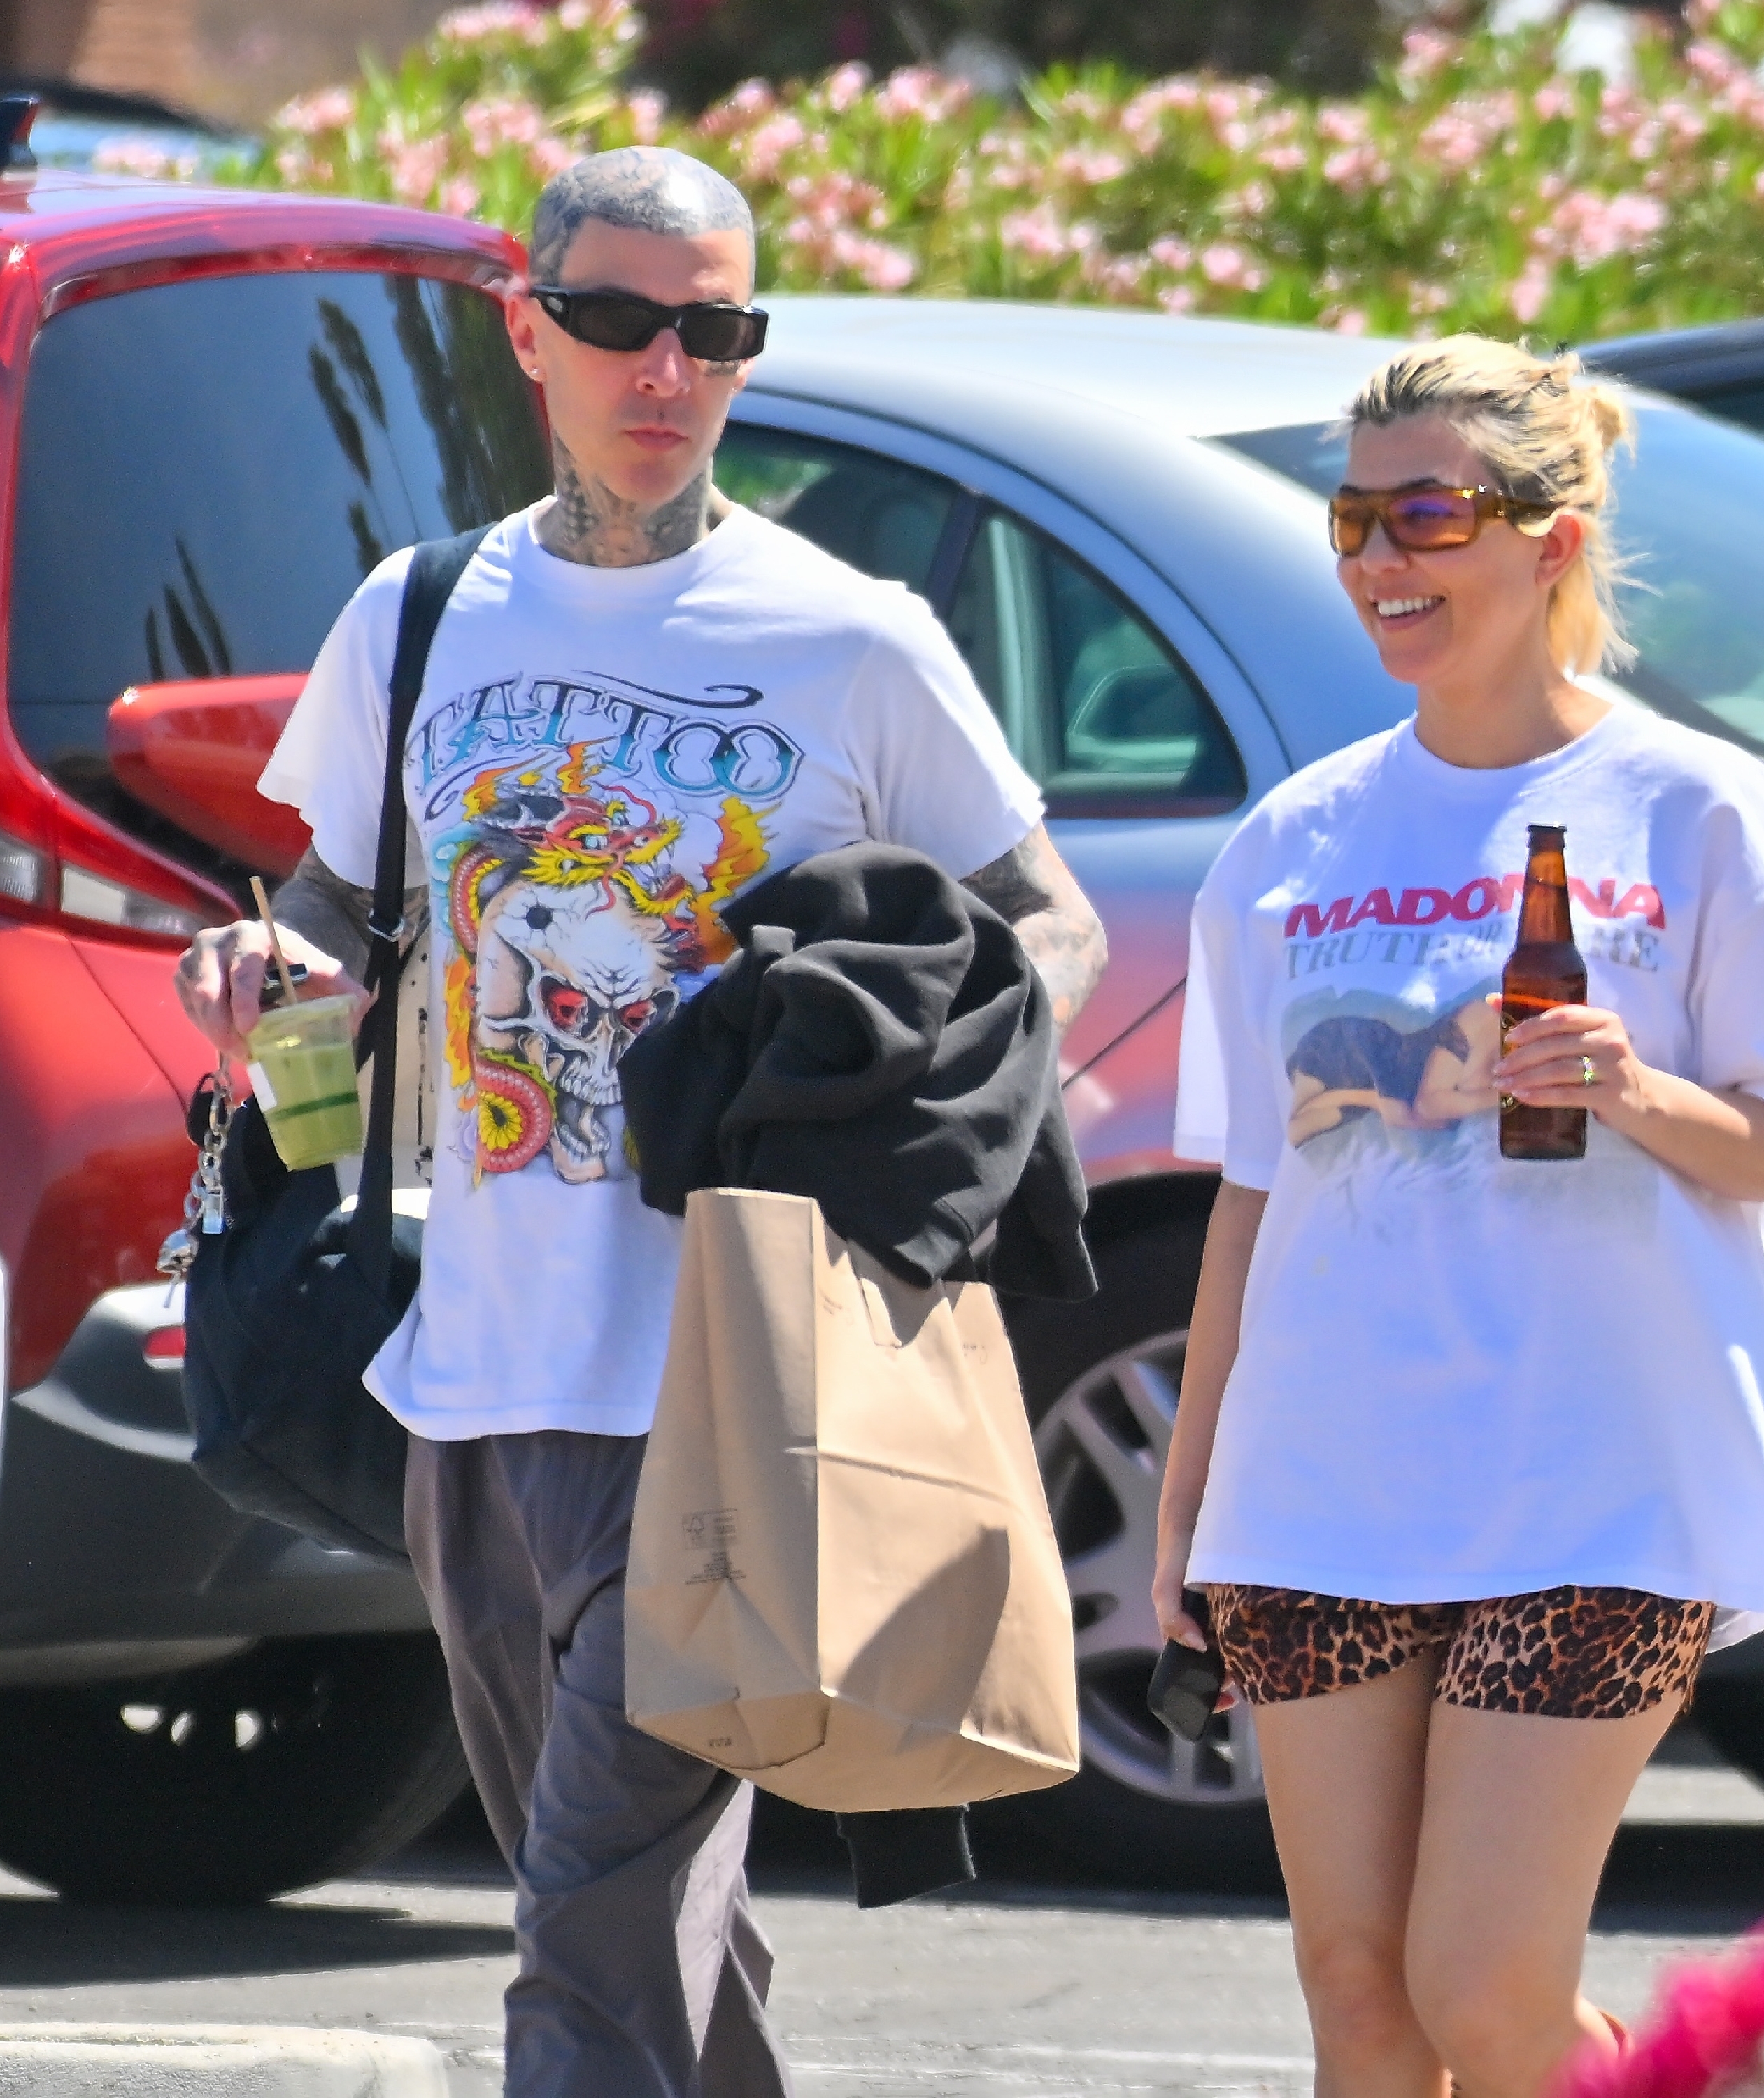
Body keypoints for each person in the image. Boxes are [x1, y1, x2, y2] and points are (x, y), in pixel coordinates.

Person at [176, 147, 1106, 2096]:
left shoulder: (844, 636)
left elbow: (1048, 929)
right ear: (531, 331)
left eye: (715, 328)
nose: (664, 368)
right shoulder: (420, 617)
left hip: (730, 1388)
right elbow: (338, 909)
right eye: (617, 321)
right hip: (473, 1383)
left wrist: (865, 1063)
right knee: (622, 1911)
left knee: (583, 1926)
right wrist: (266, 969)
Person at [1155, 336, 1764, 2098]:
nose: (1381, 565)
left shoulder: (1694, 806)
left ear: (1550, 544)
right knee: (1360, 1997)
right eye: (1355, 521)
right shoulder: (1294, 836)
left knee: (1485, 1993)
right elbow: (1255, 1194)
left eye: (1428, 516)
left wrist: (1631, 1087)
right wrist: (1193, 1501)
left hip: (1601, 1477)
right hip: (1326, 1475)